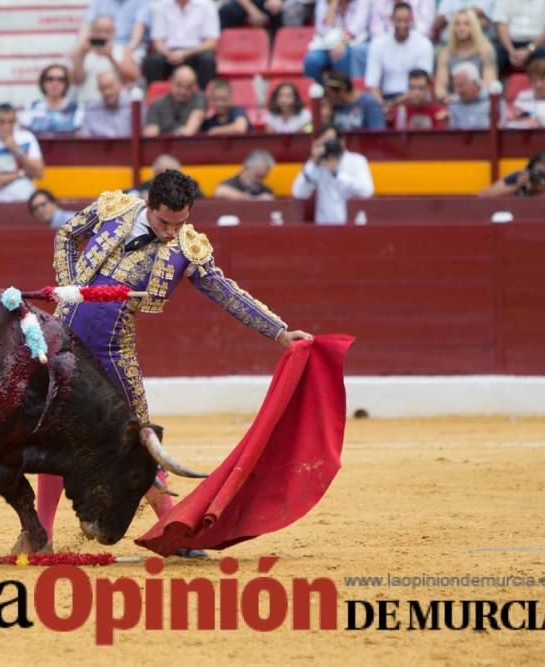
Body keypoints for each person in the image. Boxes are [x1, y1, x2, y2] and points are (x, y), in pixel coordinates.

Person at [39, 170, 313, 557]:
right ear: (149, 206)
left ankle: (172, 531)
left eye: (180, 222)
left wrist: (279, 332)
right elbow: (66, 234)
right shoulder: (114, 207)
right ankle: (42, 534)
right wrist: (70, 288)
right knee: (54, 434)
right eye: (165, 222)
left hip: (114, 350)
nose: (172, 232)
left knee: (142, 440)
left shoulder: (188, 246)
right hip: (65, 340)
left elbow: (225, 292)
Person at [291, 124, 374, 224]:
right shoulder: (316, 165)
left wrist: (336, 173)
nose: (327, 144)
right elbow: (299, 193)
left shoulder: (356, 160)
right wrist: (312, 162)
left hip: (352, 225)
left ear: (342, 142)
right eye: (323, 142)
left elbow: (366, 191)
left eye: (330, 140)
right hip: (324, 227)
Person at [364, 2, 434, 112]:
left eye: (406, 21)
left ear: (412, 20)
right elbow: (372, 84)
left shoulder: (424, 44)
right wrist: (382, 105)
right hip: (385, 97)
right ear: (391, 20)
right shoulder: (378, 44)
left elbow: (422, 83)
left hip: (413, 98)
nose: (402, 25)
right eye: (399, 21)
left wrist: (394, 104)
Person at [0, 104, 44, 203]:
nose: (6, 126)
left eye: (10, 122)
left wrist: (17, 150)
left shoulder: (27, 138)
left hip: (27, 202)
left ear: (15, 121)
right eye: (2, 122)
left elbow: (39, 173)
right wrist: (22, 173)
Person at [143, 0, 220, 89]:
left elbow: (212, 42)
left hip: (195, 52)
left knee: (207, 60)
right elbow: (157, 41)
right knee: (154, 61)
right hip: (169, 53)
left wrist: (185, 53)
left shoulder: (207, 5)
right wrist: (168, 54)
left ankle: (204, 99)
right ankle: (155, 99)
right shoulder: (161, 6)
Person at [72, 15, 139, 105]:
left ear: (114, 33)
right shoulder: (82, 52)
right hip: (89, 104)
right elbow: (77, 81)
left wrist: (111, 57)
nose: (102, 35)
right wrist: (80, 56)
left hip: (117, 106)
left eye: (107, 31)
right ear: (91, 32)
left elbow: (131, 78)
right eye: (98, 31)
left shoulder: (123, 51)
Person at [435, 9, 498, 100]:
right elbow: (440, 88)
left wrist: (470, 96)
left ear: (474, 26)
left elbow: (489, 81)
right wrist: (450, 98)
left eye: (466, 24)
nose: (461, 28)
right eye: (457, 24)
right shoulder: (445, 53)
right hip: (454, 101)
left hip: (480, 100)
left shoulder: (486, 50)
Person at [491, 0, 545, 76]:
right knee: (491, 54)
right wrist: (511, 51)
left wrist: (529, 50)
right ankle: (491, 85)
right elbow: (501, 25)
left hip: (538, 43)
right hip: (509, 43)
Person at [303, 0, 373, 81]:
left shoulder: (363, 2)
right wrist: (333, 4)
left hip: (352, 42)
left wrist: (342, 44)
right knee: (312, 59)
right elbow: (321, 29)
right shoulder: (323, 2)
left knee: (342, 55)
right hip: (326, 43)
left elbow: (357, 27)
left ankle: (342, 90)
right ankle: (321, 90)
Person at [144, 65, 207, 136]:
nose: (183, 91)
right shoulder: (156, 104)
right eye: (179, 85)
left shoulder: (199, 97)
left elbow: (197, 116)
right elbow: (151, 130)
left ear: (194, 87)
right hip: (164, 145)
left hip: (191, 144)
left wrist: (187, 131)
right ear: (171, 82)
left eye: (188, 87)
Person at [22, 64, 84, 135]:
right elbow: (24, 136)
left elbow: (79, 137)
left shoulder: (76, 107)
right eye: (50, 79)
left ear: (66, 83)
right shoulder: (31, 107)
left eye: (61, 79)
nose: (55, 83)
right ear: (43, 82)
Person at [78, 0, 150, 54]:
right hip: (100, 46)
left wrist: (124, 52)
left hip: (128, 49)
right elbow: (87, 24)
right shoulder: (100, 1)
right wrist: (80, 46)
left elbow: (135, 40)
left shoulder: (141, 2)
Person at [321, 69, 386, 129]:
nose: (328, 98)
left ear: (342, 92)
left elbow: (378, 135)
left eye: (329, 95)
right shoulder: (335, 106)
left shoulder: (370, 104)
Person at [78, 70, 133, 138]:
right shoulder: (91, 110)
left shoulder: (133, 107)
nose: (107, 92)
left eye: (110, 87)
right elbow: (85, 139)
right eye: (102, 88)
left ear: (120, 86)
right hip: (99, 148)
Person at [480, 153, 545, 196]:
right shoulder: (520, 176)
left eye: (543, 175)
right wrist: (516, 186)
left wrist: (542, 192)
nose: (538, 177)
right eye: (536, 173)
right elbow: (484, 195)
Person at [448, 61, 499, 128]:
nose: (458, 90)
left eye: (461, 86)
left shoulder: (493, 99)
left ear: (475, 83)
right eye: (456, 86)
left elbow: (501, 126)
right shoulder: (454, 104)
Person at [132, 153, 205, 199]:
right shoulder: (147, 186)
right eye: (160, 173)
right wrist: (139, 197)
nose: (165, 177)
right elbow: (129, 193)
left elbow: (200, 200)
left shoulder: (189, 185)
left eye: (170, 173)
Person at [368, 0, 433, 39]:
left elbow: (425, 28)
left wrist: (406, 41)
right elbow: (375, 29)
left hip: (415, 44)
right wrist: (392, 43)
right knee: (359, 51)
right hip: (386, 46)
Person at [218, 0, 284, 34]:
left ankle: (280, 48)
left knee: (280, 11)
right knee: (226, 11)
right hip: (246, 3)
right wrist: (252, 11)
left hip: (271, 3)